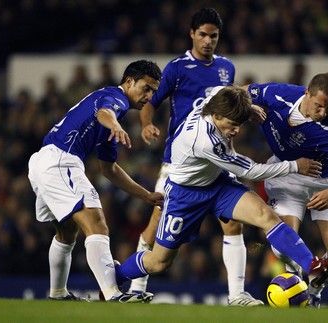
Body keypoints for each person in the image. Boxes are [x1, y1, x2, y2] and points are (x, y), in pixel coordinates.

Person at [115, 86, 328, 302]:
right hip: (185, 194)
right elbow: (252, 170)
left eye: (238, 124)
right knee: (159, 261)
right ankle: (116, 276)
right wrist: (294, 166)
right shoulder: (205, 141)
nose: (236, 131)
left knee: (266, 215)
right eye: (232, 124)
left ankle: (312, 265)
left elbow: (228, 90)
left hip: (218, 184)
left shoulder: (217, 99)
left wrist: (246, 107)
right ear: (216, 115)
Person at [133, 8, 262, 306]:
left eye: (213, 36)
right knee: (156, 224)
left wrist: (244, 112)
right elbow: (150, 101)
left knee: (232, 223)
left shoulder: (227, 67)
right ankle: (136, 288)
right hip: (181, 162)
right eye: (202, 34)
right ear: (192, 33)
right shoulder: (177, 68)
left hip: (216, 158)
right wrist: (146, 123)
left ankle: (236, 295)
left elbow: (229, 104)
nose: (208, 41)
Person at [27, 60, 164, 303]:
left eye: (154, 91)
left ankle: (58, 294)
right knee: (96, 222)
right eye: (146, 88)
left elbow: (109, 170)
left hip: (43, 161)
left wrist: (146, 195)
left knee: (67, 231)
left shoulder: (111, 119)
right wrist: (114, 124)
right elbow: (104, 113)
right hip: (61, 159)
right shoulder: (115, 97)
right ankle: (113, 294)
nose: (149, 96)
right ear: (130, 81)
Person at [244, 73, 328, 307]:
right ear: (306, 93)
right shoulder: (279, 94)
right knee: (283, 247)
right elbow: (240, 91)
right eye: (319, 106)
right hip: (287, 176)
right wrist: (247, 107)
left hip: (326, 181)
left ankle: (314, 289)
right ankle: (297, 289)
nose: (322, 113)